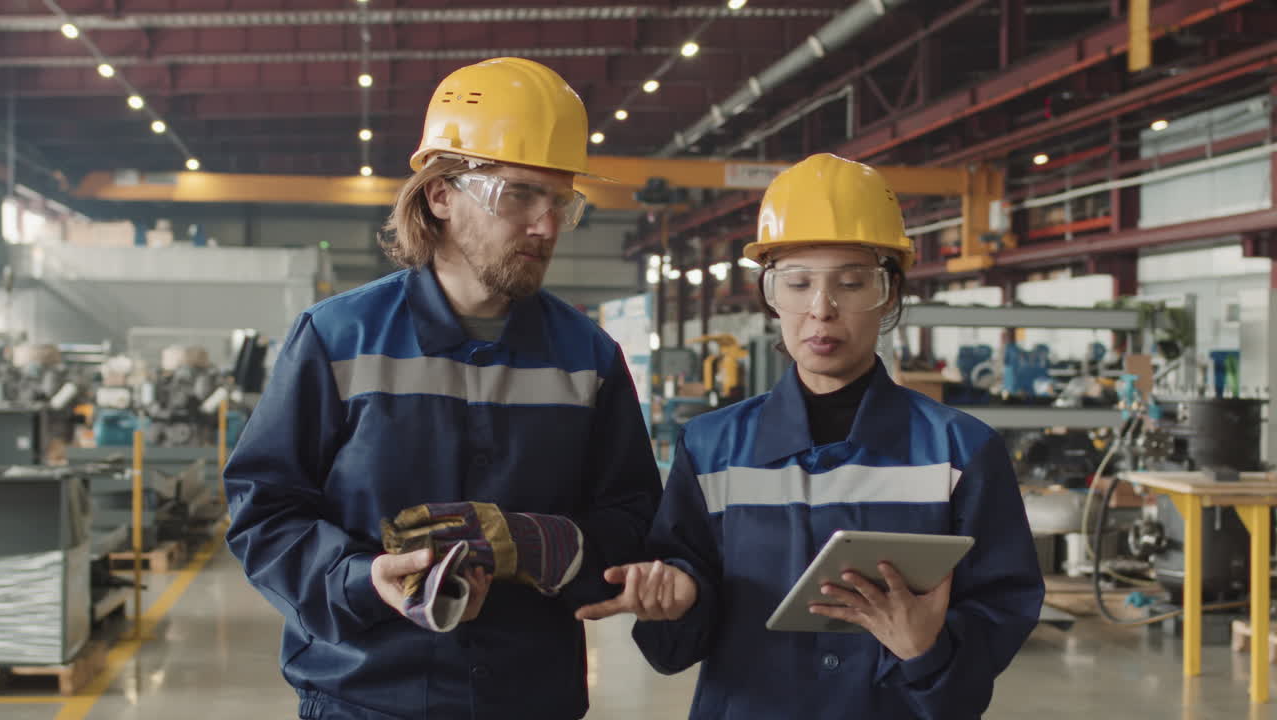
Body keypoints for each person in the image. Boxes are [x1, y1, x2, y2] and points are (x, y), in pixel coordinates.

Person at [224, 57, 662, 720]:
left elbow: (635, 519)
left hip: (528, 700)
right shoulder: (337, 339)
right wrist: (362, 579)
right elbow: (264, 512)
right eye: (519, 195)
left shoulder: (588, 359)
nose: (545, 226)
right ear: (440, 195)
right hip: (364, 697)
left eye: (560, 202)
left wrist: (546, 545)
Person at [576, 153, 1044, 719]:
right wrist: (677, 599)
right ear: (770, 296)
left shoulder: (961, 452)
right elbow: (678, 622)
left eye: (852, 283)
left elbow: (1002, 603)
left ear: (890, 293)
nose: (822, 310)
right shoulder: (711, 449)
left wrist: (928, 650)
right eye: (797, 284)